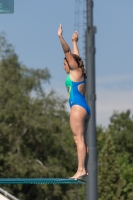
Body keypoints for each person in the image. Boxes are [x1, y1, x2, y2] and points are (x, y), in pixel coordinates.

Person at [58, 24, 91, 179]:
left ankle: (81, 170)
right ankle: (84, 168)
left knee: (78, 139)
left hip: (77, 109)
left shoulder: (74, 70)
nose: (64, 66)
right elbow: (76, 56)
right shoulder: (80, 72)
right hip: (85, 108)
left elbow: (67, 52)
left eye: (65, 64)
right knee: (82, 140)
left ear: (70, 64)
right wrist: (75, 42)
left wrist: (61, 37)